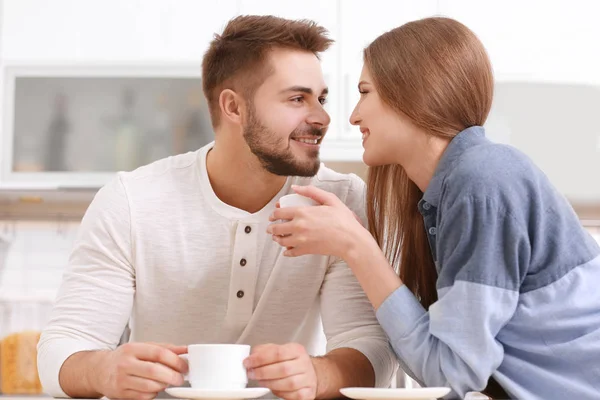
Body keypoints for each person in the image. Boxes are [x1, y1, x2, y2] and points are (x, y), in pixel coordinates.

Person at [37, 15, 397, 400]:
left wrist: (318, 373)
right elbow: (61, 350)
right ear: (233, 107)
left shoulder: (340, 201)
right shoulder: (131, 200)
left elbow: (371, 349)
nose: (323, 118)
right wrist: (103, 370)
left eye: (320, 98)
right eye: (297, 98)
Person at [267, 17, 600, 400]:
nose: (353, 116)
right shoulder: (450, 192)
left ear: (414, 93)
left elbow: (450, 374)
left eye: (365, 92)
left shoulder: (483, 181)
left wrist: (356, 246)